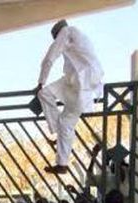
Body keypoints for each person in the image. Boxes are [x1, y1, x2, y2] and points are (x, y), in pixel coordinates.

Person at [35, 19, 103, 174]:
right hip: (80, 81)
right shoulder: (78, 36)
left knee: (43, 92)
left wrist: (40, 82)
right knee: (66, 123)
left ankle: (58, 136)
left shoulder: (67, 32)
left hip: (80, 81)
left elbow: (49, 58)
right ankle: (62, 163)